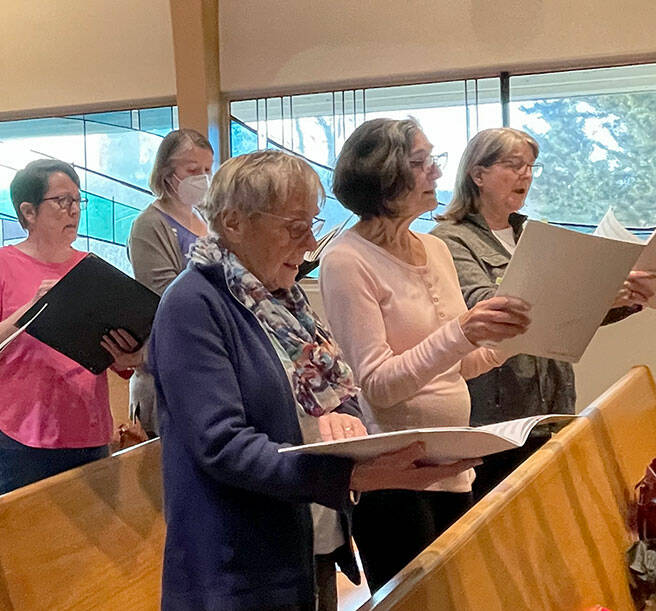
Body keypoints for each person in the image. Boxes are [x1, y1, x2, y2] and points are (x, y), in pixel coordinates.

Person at [150, 149, 479, 610]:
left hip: (311, 540)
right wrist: (348, 474)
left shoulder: (282, 300)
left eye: (312, 225)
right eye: (294, 227)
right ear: (234, 223)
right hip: (237, 562)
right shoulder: (194, 304)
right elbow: (221, 443)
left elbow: (334, 389)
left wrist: (345, 419)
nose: (309, 244)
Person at [319, 118, 532, 592]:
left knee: (460, 596)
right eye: (420, 163)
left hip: (452, 462)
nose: (435, 172)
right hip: (396, 472)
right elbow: (378, 386)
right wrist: (461, 332)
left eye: (433, 159)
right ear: (382, 176)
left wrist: (521, 335)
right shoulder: (346, 259)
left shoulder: (434, 248)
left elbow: (462, 365)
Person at [431, 127, 655, 498]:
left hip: (554, 407)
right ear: (478, 174)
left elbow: (571, 315)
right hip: (497, 417)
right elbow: (488, 306)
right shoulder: (450, 240)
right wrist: (591, 293)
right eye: (514, 165)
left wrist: (624, 294)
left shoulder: (536, 232)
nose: (526, 175)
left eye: (532, 166)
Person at [0, 158, 144, 495]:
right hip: (22, 436)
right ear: (28, 212)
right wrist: (30, 310)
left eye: (77, 200)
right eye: (62, 201)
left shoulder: (90, 267)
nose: (73, 211)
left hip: (89, 432)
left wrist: (128, 350)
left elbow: (119, 365)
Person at [126, 128, 214, 436]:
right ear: (167, 172)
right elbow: (163, 296)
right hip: (168, 369)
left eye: (207, 170)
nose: (202, 178)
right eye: (192, 170)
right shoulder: (150, 224)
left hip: (205, 362)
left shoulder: (206, 219)